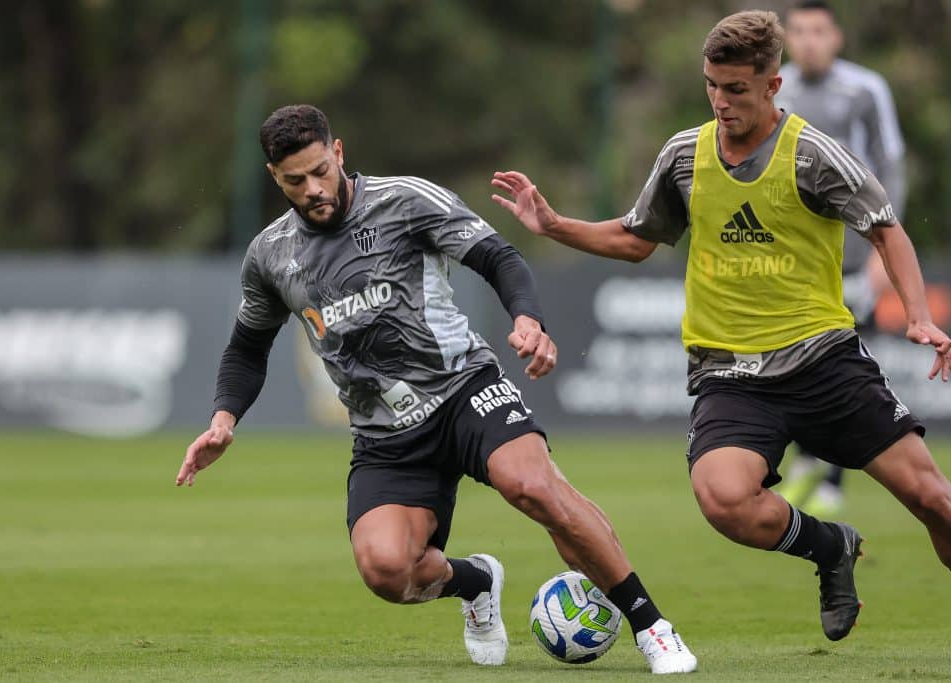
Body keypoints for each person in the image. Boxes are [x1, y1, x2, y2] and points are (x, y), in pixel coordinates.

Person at [491, 10, 951, 661]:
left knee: (930, 496)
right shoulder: (684, 155)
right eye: (712, 84)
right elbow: (635, 239)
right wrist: (554, 223)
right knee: (723, 499)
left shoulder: (814, 154)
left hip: (823, 361)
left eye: (736, 88)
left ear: (773, 85)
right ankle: (831, 546)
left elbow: (885, 226)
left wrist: (917, 313)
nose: (721, 100)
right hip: (729, 372)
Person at [175, 105, 697, 674]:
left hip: (462, 389)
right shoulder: (271, 255)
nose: (314, 188)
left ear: (339, 152)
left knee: (534, 488)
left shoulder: (405, 200)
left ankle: (652, 627)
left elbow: (499, 257)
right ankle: (476, 582)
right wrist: (224, 419)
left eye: (321, 170)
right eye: (296, 181)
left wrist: (527, 320)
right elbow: (247, 347)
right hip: (384, 433)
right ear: (275, 178)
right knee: (386, 572)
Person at [773, 0, 908, 518]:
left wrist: (884, 247)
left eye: (818, 31)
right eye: (799, 31)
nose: (808, 40)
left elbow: (890, 164)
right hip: (793, 257)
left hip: (851, 254)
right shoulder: (776, 86)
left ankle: (829, 478)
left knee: (845, 358)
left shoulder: (865, 89)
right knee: (791, 352)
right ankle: (811, 463)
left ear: (836, 37)